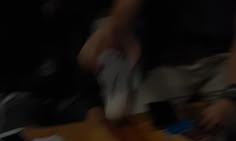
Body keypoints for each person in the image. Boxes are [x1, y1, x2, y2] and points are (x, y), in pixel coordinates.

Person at [79, 0, 236, 128]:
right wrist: (114, 25)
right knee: (138, 123)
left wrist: (231, 97)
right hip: (170, 62)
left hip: (222, 59)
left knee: (224, 124)